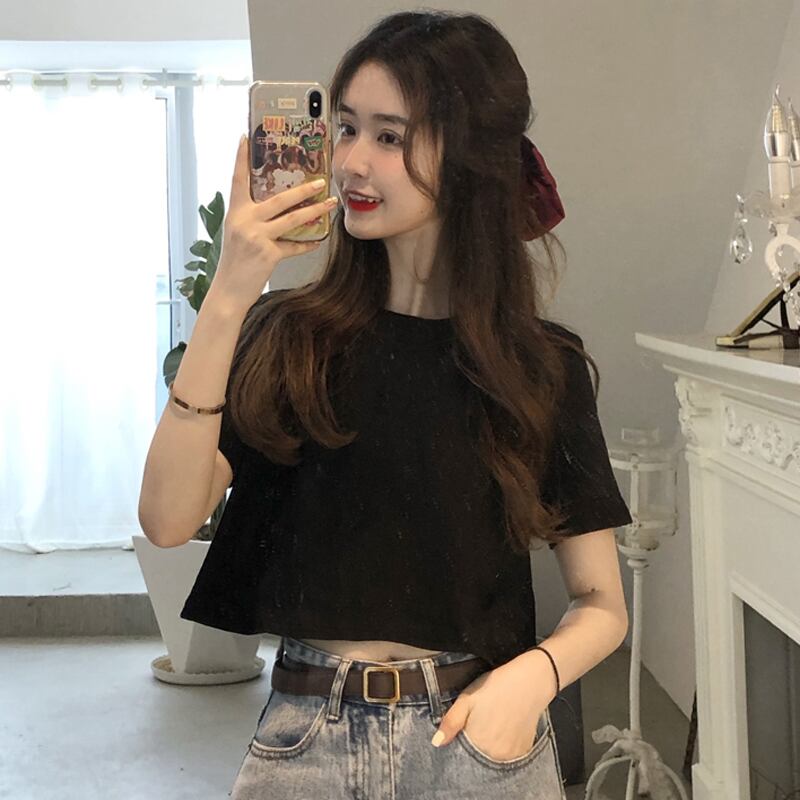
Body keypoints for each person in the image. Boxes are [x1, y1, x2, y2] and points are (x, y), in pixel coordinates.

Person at [138, 10, 632, 799]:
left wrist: (530, 681)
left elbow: (602, 605)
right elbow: (167, 520)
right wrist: (231, 289)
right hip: (307, 742)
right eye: (345, 128)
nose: (350, 162)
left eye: (390, 137)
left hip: (480, 742)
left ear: (468, 156)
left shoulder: (540, 366)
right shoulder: (290, 338)